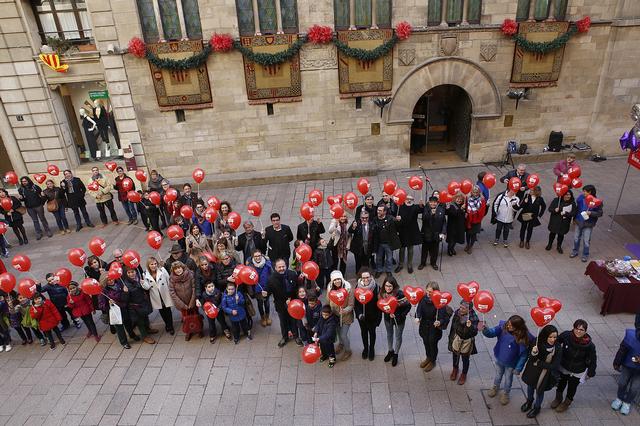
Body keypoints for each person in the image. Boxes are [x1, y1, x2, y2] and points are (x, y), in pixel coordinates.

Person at [482, 315, 533, 405]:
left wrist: (518, 368)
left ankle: (506, 393)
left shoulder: (522, 338)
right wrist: (485, 329)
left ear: (518, 327)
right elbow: (491, 333)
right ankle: (495, 387)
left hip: (511, 364)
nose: (508, 326)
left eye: (511, 325)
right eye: (508, 324)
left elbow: (523, 355)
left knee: (508, 379)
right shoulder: (503, 327)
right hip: (499, 358)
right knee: (498, 375)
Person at [551, 319, 597, 412]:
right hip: (564, 366)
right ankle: (558, 398)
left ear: (585, 331)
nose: (578, 331)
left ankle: (566, 403)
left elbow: (593, 359)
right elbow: (556, 342)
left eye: (581, 330)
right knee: (561, 383)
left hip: (578, 370)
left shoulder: (590, 345)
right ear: (573, 328)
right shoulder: (567, 335)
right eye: (576, 328)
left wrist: (591, 372)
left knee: (572, 387)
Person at [521, 324, 562, 418]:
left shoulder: (558, 348)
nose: (553, 339)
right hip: (533, 371)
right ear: (545, 336)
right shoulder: (536, 342)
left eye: (555, 337)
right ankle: (529, 401)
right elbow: (531, 358)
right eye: (550, 337)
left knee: (540, 391)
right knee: (530, 387)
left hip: (545, 374)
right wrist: (534, 353)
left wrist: (539, 363)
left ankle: (536, 408)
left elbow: (554, 366)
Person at [416, 282, 451, 372]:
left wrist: (439, 322)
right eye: (427, 290)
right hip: (424, 325)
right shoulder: (423, 299)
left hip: (434, 327)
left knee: (432, 343)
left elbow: (443, 317)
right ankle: (428, 357)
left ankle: (432, 360)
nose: (428, 293)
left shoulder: (440, 301)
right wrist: (418, 317)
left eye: (430, 292)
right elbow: (419, 309)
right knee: (425, 342)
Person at [264, 259, 299, 347]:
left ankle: (296, 336)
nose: (281, 268)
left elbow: (297, 287)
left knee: (293, 321)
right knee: (283, 322)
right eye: (279, 267)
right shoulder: (271, 279)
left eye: (283, 266)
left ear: (286, 266)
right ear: (275, 268)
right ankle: (285, 337)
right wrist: (265, 295)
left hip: (293, 303)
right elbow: (268, 292)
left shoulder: (293, 274)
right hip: (280, 305)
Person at [379, 276, 411, 367]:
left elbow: (408, 306)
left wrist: (399, 315)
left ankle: (396, 354)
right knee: (389, 335)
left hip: (399, 320)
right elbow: (381, 306)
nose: (388, 288)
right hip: (387, 319)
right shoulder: (382, 294)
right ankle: (390, 351)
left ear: (394, 286)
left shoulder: (400, 295)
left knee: (398, 336)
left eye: (390, 286)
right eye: (386, 286)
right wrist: (386, 311)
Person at [448, 300, 479, 385]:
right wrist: (451, 337)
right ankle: (455, 369)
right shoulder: (457, 313)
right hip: (457, 337)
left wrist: (470, 327)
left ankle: (464, 374)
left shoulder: (473, 318)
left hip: (467, 341)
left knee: (465, 359)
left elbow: (475, 332)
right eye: (460, 307)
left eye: (463, 308)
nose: (460, 309)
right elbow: (453, 325)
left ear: (469, 310)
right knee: (455, 355)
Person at [122, 266, 156, 344]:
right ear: (126, 274)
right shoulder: (126, 284)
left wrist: (143, 284)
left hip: (142, 303)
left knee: (145, 318)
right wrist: (125, 292)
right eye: (129, 272)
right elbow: (125, 299)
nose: (131, 274)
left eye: (132, 272)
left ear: (136, 272)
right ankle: (144, 336)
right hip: (135, 306)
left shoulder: (139, 278)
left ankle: (148, 329)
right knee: (140, 322)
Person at [611, 324, 640, 416]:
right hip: (628, 366)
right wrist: (617, 362)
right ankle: (619, 398)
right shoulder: (631, 336)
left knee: (634, 387)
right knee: (622, 382)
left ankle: (627, 402)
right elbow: (622, 350)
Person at [98, 272, 131, 349]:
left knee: (128, 322)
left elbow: (125, 296)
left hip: (123, 308)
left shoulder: (119, 283)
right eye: (108, 280)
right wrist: (109, 303)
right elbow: (101, 305)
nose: (111, 281)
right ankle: (124, 342)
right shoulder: (103, 291)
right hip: (114, 311)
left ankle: (132, 334)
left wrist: (126, 292)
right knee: (119, 327)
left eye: (111, 279)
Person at [142, 257, 175, 335]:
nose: (154, 266)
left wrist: (171, 292)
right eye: (152, 264)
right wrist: (143, 283)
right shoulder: (145, 274)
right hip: (156, 295)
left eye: (155, 263)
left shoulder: (162, 270)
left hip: (164, 293)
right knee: (161, 311)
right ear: (148, 265)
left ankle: (170, 326)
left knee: (168, 310)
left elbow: (168, 280)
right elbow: (147, 287)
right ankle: (167, 324)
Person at [354, 268, 381, 361]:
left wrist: (378, 319)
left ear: (371, 277)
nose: (366, 279)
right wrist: (359, 314)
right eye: (363, 277)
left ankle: (372, 349)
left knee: (372, 333)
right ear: (360, 278)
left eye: (367, 277)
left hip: (372, 317)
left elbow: (379, 304)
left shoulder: (376, 288)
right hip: (362, 317)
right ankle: (365, 348)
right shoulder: (357, 288)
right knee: (364, 333)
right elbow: (356, 304)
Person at [168, 261, 200, 341]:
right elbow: (172, 293)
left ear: (182, 267)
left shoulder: (190, 274)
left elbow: (194, 288)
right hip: (182, 303)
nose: (178, 270)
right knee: (186, 318)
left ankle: (199, 329)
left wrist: (192, 301)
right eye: (176, 269)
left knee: (196, 316)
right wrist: (183, 305)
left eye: (179, 268)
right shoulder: (172, 279)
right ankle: (188, 331)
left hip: (192, 301)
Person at [327, 270, 355, 361]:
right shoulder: (330, 288)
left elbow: (351, 305)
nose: (337, 281)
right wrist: (328, 311)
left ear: (342, 279)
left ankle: (348, 350)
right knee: (339, 332)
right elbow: (328, 301)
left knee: (343, 335)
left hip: (346, 316)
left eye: (339, 279)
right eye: (335, 280)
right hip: (335, 315)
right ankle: (341, 344)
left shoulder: (348, 288)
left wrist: (344, 311)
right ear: (332, 281)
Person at [571, 185, 603, 262]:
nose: (583, 193)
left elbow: (600, 213)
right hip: (579, 221)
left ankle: (585, 254)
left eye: (585, 191)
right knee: (576, 237)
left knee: (586, 240)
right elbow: (577, 208)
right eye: (583, 191)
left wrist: (591, 213)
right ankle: (575, 251)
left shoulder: (597, 201)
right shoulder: (581, 198)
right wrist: (574, 218)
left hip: (589, 223)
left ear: (590, 192)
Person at [372, 205, 401, 278]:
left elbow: (398, 225)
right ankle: (379, 270)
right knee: (378, 258)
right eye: (378, 210)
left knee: (389, 258)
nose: (378, 212)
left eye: (380, 210)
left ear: (385, 212)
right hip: (379, 243)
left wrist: (398, 220)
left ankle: (388, 271)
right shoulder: (375, 219)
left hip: (388, 243)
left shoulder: (390, 218)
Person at [395, 195, 422, 274]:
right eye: (407, 199)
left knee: (410, 249)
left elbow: (422, 210)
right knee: (402, 249)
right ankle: (400, 264)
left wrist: (421, 206)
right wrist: (397, 219)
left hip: (412, 231)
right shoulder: (400, 207)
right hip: (403, 231)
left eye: (411, 199)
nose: (409, 200)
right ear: (404, 199)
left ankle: (409, 265)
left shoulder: (415, 207)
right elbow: (396, 217)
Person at [418, 196, 445, 271]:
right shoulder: (426, 209)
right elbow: (424, 218)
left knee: (435, 250)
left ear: (437, 203)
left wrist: (443, 232)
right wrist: (431, 214)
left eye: (434, 202)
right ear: (429, 202)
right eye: (431, 202)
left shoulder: (441, 210)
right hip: (427, 234)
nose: (433, 203)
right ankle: (422, 263)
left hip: (436, 234)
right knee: (424, 250)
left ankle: (433, 263)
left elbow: (444, 222)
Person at [250, 249, 273, 327]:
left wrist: (270, 287)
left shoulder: (267, 264)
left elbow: (271, 275)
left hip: (266, 288)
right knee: (260, 304)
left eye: (259, 255)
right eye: (255, 256)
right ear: (253, 257)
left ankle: (267, 317)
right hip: (257, 290)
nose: (257, 258)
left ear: (261, 255)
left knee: (267, 303)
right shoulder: (251, 266)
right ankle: (262, 318)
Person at [464, 186, 485, 254]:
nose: (475, 194)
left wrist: (474, 212)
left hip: (476, 220)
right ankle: (467, 244)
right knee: (467, 233)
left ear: (479, 192)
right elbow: (466, 206)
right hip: (468, 219)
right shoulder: (468, 198)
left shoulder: (482, 200)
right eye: (473, 192)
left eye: (476, 192)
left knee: (473, 234)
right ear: (471, 192)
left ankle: (471, 246)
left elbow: (482, 211)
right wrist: (467, 212)